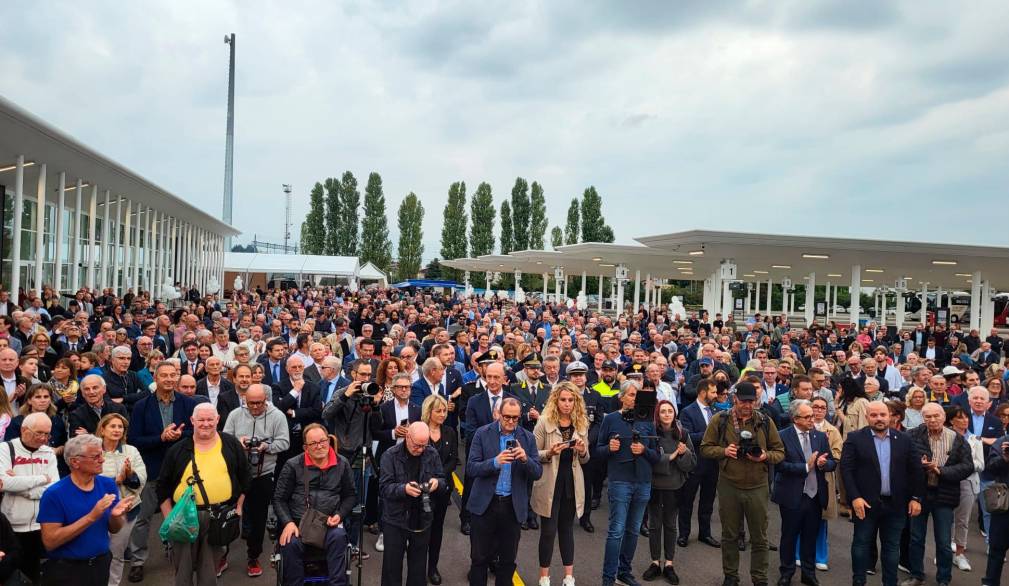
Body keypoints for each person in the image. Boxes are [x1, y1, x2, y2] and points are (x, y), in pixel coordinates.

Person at [700, 381, 785, 586]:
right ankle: (730, 576)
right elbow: (704, 448)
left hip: (757, 486)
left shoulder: (765, 421)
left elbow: (780, 452)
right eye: (743, 401)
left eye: (752, 401)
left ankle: (760, 578)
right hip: (729, 484)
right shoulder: (720, 420)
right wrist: (724, 451)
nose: (747, 405)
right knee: (729, 535)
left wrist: (765, 456)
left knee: (760, 537)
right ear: (734, 398)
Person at [157, 403, 252, 584]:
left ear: (217, 419)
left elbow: (246, 478)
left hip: (218, 517)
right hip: (183, 518)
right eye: (201, 419)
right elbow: (162, 487)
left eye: (210, 419)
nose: (206, 424)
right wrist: (169, 518)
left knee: (209, 573)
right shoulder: (177, 450)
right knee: (182, 572)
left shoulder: (231, 444)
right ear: (193, 420)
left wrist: (238, 507)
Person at [125, 361, 196, 582]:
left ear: (177, 378)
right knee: (142, 518)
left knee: (182, 515)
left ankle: (179, 555)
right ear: (155, 377)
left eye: (172, 375)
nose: (168, 379)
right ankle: (137, 561)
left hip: (181, 470)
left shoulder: (188, 403)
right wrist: (161, 438)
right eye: (163, 375)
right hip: (152, 469)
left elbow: (196, 431)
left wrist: (178, 435)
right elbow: (134, 439)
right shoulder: (141, 406)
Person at [840, 401, 924, 586]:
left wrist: (916, 498)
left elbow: (916, 470)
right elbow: (846, 470)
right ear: (867, 417)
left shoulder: (904, 439)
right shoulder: (855, 438)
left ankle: (890, 582)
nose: (879, 419)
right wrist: (854, 497)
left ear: (890, 416)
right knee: (861, 545)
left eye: (883, 415)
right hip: (865, 504)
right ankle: (859, 581)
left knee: (892, 548)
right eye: (874, 415)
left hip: (896, 505)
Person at [37, 434, 133, 586]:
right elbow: (50, 541)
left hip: (100, 564)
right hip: (67, 571)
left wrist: (115, 517)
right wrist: (91, 517)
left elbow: (114, 529)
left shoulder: (107, 484)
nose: (102, 460)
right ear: (75, 462)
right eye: (95, 457)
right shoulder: (54, 494)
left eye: (101, 454)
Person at [466, 397, 542, 586]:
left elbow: (538, 473)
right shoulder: (482, 434)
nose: (510, 421)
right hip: (485, 505)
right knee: (479, 558)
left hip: (512, 507)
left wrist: (525, 459)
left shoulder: (528, 438)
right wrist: (494, 462)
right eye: (507, 416)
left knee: (507, 561)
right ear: (498, 414)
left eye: (515, 418)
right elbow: (471, 468)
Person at [273, 423, 356, 586]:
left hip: (329, 523)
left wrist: (339, 515)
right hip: (299, 523)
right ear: (305, 447)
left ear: (329, 441)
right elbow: (279, 499)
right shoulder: (292, 465)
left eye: (323, 441)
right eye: (313, 443)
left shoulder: (342, 463)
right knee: (289, 542)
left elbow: (351, 496)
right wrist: (288, 523)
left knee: (339, 537)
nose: (319, 446)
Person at [596, 380, 661, 586]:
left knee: (633, 530)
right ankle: (608, 577)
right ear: (621, 397)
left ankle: (624, 571)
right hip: (620, 481)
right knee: (616, 530)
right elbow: (598, 450)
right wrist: (609, 448)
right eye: (631, 395)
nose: (635, 399)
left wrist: (644, 451)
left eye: (637, 395)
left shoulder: (648, 421)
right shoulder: (611, 419)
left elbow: (657, 456)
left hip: (643, 481)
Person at [223, 383, 290, 577]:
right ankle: (222, 554)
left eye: (259, 403)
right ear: (244, 399)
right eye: (250, 403)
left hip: (263, 473)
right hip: (235, 473)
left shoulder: (277, 415)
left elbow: (285, 442)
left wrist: (265, 446)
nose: (254, 407)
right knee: (226, 515)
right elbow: (225, 439)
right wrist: (239, 442)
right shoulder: (236, 414)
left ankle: (254, 555)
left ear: (266, 400)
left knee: (259, 517)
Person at [903, 402, 973, 586]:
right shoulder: (912, 435)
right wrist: (920, 466)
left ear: (944, 417)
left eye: (936, 416)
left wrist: (940, 470)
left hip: (945, 494)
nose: (932, 420)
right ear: (922, 418)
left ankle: (944, 579)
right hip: (919, 494)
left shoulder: (957, 439)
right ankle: (916, 575)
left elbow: (967, 467)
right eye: (928, 416)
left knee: (943, 541)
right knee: (916, 538)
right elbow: (902, 462)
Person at [531, 381, 590, 586]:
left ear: (576, 402)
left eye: (571, 400)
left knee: (566, 529)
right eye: (563, 399)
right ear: (556, 401)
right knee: (548, 532)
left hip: (571, 483)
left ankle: (568, 577)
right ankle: (544, 577)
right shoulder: (543, 422)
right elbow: (532, 454)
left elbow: (585, 458)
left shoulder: (581, 424)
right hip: (549, 483)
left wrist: (581, 450)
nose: (567, 404)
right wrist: (550, 452)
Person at [772, 399, 835, 586]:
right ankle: (787, 572)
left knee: (810, 536)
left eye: (812, 416)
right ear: (795, 418)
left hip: (815, 496)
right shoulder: (782, 436)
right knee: (789, 536)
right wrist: (805, 467)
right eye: (807, 416)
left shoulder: (820, 437)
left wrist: (825, 464)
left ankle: (808, 573)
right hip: (792, 494)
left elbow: (832, 461)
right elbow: (779, 465)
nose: (812, 419)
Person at [379, 421, 446, 586]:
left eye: (424, 445)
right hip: (395, 518)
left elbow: (443, 480)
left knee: (418, 569)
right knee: (391, 568)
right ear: (407, 437)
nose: (421, 449)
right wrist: (404, 489)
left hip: (422, 517)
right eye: (417, 445)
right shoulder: (389, 455)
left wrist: (437, 483)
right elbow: (384, 488)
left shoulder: (431, 453)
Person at [0, 411, 59, 582]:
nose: (43, 438)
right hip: (11, 527)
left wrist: (22, 487)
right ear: (24, 430)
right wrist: (41, 479)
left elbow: (53, 488)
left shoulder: (48, 452)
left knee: (34, 575)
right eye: (38, 433)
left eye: (47, 434)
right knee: (11, 575)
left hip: (40, 525)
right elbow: (4, 483)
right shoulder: (5, 449)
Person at [642, 399, 695, 585]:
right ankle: (655, 562)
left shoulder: (682, 433)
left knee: (671, 525)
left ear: (675, 414)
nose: (666, 414)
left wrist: (683, 453)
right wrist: (671, 456)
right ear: (658, 414)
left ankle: (669, 564)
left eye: (670, 411)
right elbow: (649, 460)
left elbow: (691, 463)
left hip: (675, 486)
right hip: (655, 485)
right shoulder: (651, 434)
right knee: (655, 525)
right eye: (663, 411)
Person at [97, 413, 147, 586]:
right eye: (113, 426)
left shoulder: (130, 451)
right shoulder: (93, 450)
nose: (117, 430)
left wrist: (128, 476)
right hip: (96, 511)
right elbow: (86, 479)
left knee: (115, 554)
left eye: (120, 427)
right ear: (102, 429)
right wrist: (114, 481)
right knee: (95, 553)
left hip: (127, 510)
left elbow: (141, 479)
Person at [678, 377, 722, 549]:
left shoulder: (716, 411)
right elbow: (687, 436)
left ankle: (705, 533)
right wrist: (710, 434)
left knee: (708, 501)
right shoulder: (688, 412)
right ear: (703, 392)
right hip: (694, 463)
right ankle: (683, 534)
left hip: (712, 464)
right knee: (687, 500)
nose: (716, 395)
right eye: (713, 392)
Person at [421, 394, 458, 585]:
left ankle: (432, 567)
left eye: (444, 411)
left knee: (437, 529)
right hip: (421, 489)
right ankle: (418, 567)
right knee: (420, 529)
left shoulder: (450, 431)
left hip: (443, 490)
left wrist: (439, 476)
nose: (443, 414)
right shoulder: (419, 430)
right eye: (438, 411)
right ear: (429, 412)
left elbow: (454, 459)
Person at [803, 396, 841, 572]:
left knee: (821, 520)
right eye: (815, 407)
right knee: (799, 519)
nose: (818, 410)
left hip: (823, 479)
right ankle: (798, 554)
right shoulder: (801, 426)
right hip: (802, 477)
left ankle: (820, 556)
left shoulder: (832, 430)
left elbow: (837, 454)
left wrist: (822, 461)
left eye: (822, 408)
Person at [946, 405, 985, 572]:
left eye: (966, 417)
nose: (965, 420)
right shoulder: (945, 437)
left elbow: (981, 464)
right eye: (960, 417)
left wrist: (964, 465)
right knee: (946, 519)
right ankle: (945, 551)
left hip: (968, 483)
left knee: (963, 520)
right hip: (947, 483)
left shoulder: (975, 439)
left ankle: (960, 554)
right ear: (951, 420)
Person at [983, 429, 1009, 585]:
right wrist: (1005, 458)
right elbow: (990, 468)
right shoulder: (1003, 441)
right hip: (1004, 504)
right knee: (997, 548)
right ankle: (990, 582)